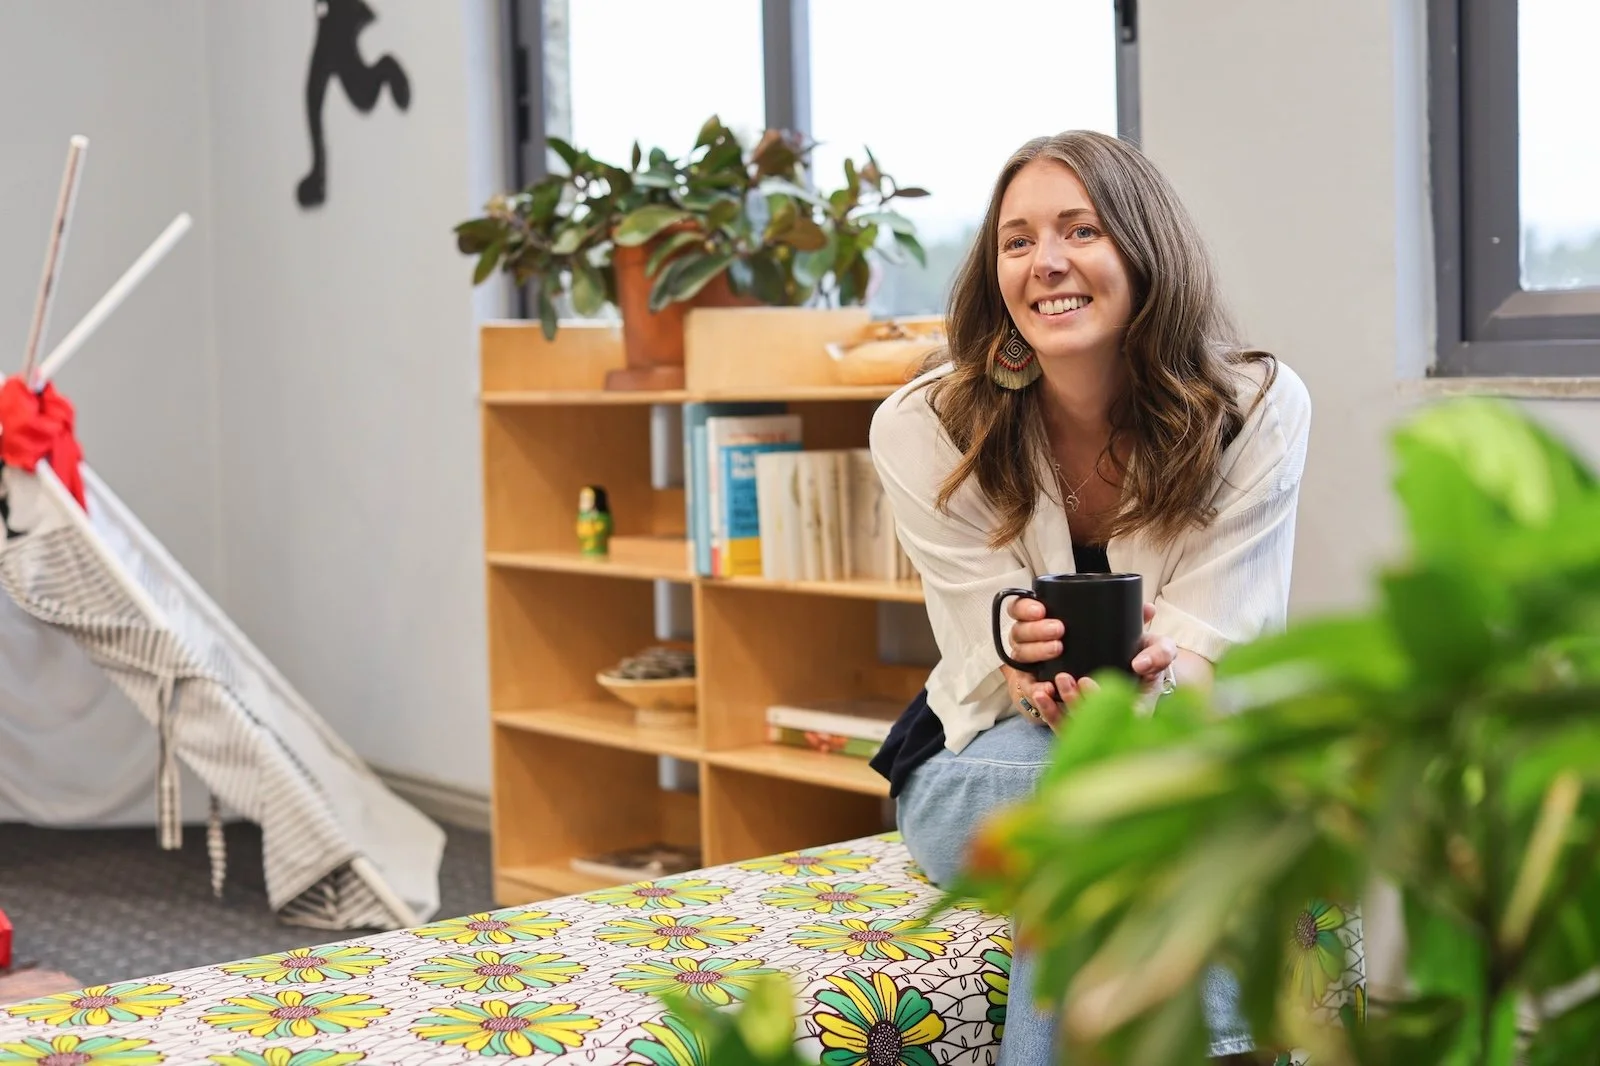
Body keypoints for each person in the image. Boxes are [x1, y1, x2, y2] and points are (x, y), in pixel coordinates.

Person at [866, 129, 1311, 1063]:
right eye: (1017, 241)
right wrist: (1023, 663)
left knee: (1128, 801)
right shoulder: (924, 426)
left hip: (1179, 740)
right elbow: (982, 651)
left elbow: (1216, 644)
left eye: (1081, 229)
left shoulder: (1254, 409)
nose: (1047, 262)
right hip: (980, 762)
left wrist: (1148, 696)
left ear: (1146, 249)